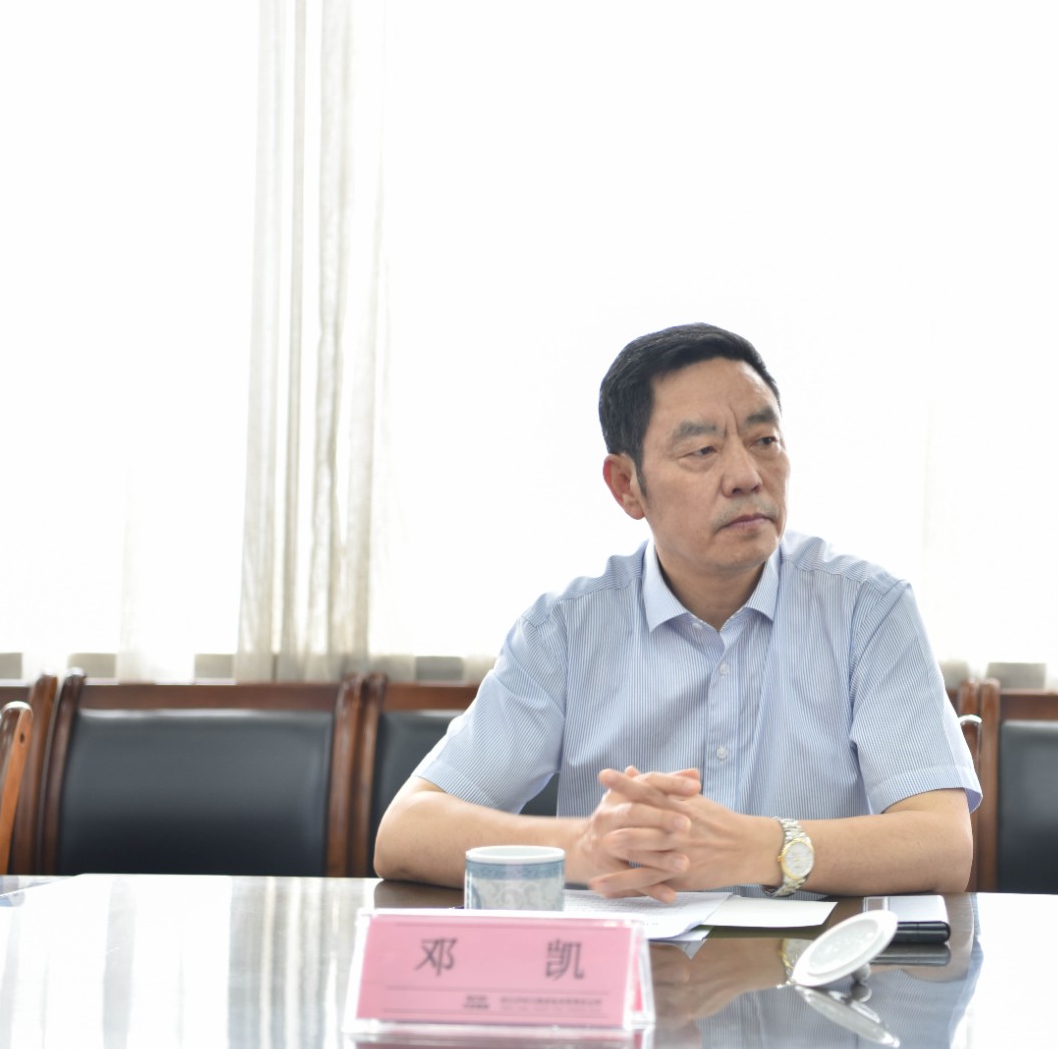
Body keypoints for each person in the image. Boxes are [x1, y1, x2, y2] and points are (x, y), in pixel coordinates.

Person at [374, 323, 979, 900]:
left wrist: (757, 848)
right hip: (630, 966)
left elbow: (943, 846)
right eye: (702, 450)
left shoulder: (867, 610)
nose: (746, 475)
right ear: (626, 486)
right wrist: (589, 847)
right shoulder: (565, 631)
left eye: (764, 441)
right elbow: (406, 832)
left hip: (811, 968)